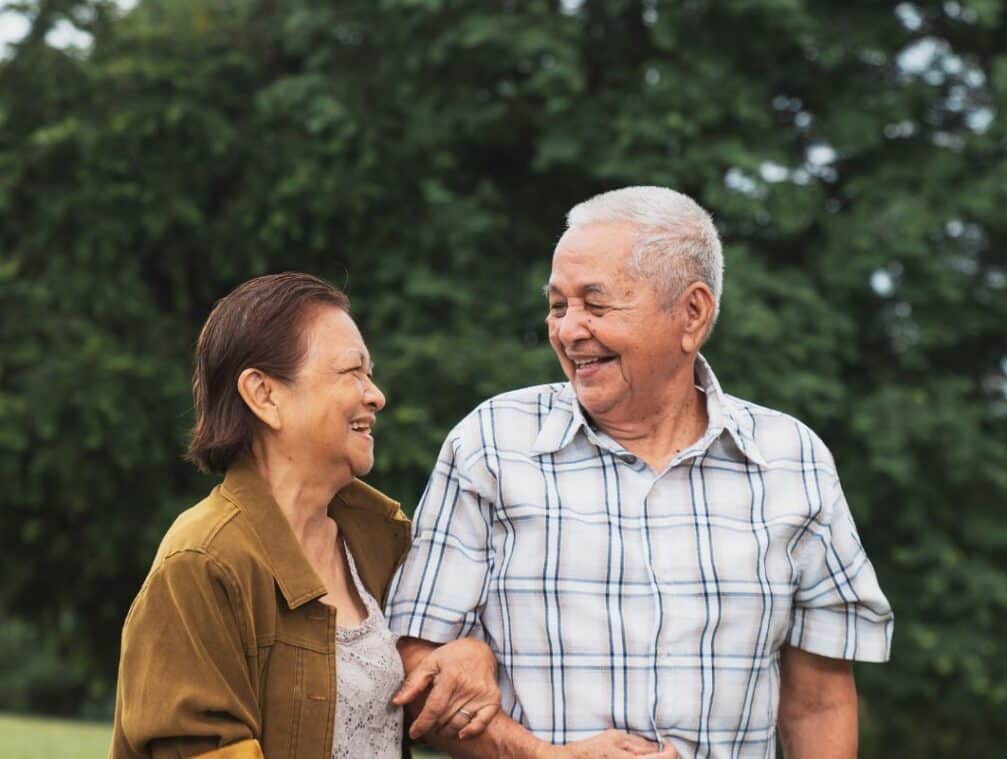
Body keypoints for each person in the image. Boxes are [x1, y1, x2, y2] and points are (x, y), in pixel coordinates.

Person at [387, 187, 894, 758]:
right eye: (558, 305)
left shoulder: (792, 461)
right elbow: (416, 671)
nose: (568, 330)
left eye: (596, 305)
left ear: (692, 313)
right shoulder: (492, 445)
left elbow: (818, 703)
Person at [109, 272, 499, 759]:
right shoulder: (204, 561)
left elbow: (425, 680)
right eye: (352, 372)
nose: (375, 395)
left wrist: (472, 654)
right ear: (265, 395)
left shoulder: (382, 541)